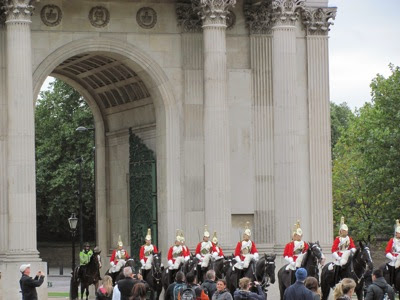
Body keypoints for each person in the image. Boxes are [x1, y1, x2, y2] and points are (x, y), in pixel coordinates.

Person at [385, 219, 400, 285]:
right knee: (394, 265)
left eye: (397, 233)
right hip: (394, 258)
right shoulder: (392, 240)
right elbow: (387, 251)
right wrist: (392, 257)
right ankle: (392, 283)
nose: (396, 234)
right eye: (396, 233)